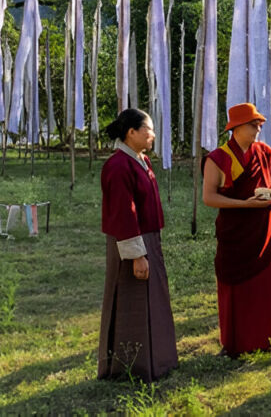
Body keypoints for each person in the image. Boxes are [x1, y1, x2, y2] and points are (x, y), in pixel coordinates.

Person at [98, 108, 178, 382]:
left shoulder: (141, 161)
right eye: (148, 129)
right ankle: (132, 366)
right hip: (130, 243)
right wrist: (136, 255)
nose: (152, 134)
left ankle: (157, 360)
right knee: (131, 303)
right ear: (131, 132)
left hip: (148, 240)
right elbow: (123, 213)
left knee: (152, 298)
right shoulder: (119, 166)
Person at [202, 102, 271, 357]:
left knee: (263, 283)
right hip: (236, 229)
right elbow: (209, 198)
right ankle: (234, 343)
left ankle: (265, 340)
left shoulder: (265, 152)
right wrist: (243, 205)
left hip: (264, 227)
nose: (258, 128)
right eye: (253, 124)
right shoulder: (218, 158)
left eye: (259, 123)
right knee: (233, 283)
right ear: (236, 128)